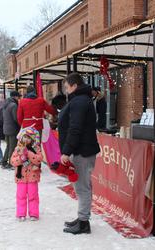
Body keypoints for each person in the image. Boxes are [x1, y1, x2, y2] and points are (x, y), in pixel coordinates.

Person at [58, 72, 100, 234]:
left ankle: (83, 223)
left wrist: (67, 151)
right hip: (82, 149)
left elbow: (75, 128)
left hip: (82, 150)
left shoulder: (80, 102)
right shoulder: (80, 100)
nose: (66, 91)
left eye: (67, 87)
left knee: (82, 187)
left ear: (75, 86)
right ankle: (82, 218)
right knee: (81, 186)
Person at [10, 127, 43, 221]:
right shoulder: (18, 149)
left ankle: (34, 213)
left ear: (32, 139)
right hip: (21, 177)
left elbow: (39, 159)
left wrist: (29, 154)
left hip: (33, 176)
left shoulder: (36, 148)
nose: (27, 139)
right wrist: (21, 158)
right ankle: (21, 213)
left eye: (29, 138)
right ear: (21, 138)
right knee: (21, 196)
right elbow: (12, 161)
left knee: (33, 195)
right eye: (25, 137)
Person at [2, 91, 21, 169]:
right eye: (18, 97)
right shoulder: (13, 105)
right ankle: (11, 163)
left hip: (6, 128)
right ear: (15, 97)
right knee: (12, 147)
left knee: (8, 146)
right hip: (13, 128)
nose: (19, 98)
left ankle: (4, 162)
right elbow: (16, 118)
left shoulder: (5, 104)